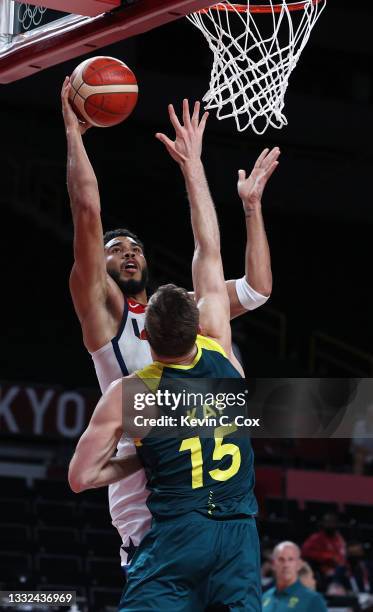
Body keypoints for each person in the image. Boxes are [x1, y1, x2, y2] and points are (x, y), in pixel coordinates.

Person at [61, 78, 279, 567]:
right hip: (147, 504)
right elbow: (87, 211)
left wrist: (251, 210)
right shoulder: (103, 314)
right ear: (100, 265)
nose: (130, 253)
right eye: (116, 250)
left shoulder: (179, 311)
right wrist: (74, 133)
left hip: (202, 496)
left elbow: (257, 289)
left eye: (135, 246)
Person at [262, 541, 327, 611]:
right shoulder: (265, 597)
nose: (286, 565)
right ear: (273, 564)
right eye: (281, 559)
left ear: (298, 564)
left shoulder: (313, 599)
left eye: (290, 559)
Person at [301, 513, 347, 579]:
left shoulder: (339, 539)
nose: (330, 525)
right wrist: (328, 557)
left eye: (333, 522)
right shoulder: (316, 538)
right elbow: (305, 552)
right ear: (323, 523)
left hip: (338, 570)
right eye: (328, 522)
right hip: (322, 571)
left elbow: (342, 555)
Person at [351, 403, 373, 475]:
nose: (371, 417)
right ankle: (357, 481)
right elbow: (357, 446)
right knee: (359, 456)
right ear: (367, 414)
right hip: (361, 453)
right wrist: (369, 451)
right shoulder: (359, 425)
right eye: (370, 414)